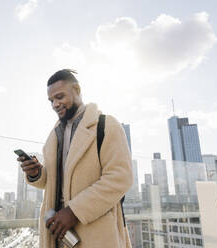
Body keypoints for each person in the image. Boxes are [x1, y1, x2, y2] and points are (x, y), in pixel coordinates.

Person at [18, 69, 133, 248]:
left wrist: (74, 211)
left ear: (77, 90)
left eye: (60, 97)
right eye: (51, 100)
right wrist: (37, 173)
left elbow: (120, 177)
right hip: (59, 235)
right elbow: (54, 183)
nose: (55, 104)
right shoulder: (54, 136)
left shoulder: (106, 125)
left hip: (96, 234)